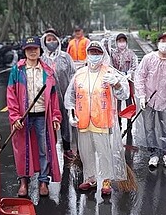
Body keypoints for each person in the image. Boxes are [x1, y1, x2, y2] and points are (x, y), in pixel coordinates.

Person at [64, 41, 129, 195]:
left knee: (104, 152)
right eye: (92, 53)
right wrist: (71, 114)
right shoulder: (79, 74)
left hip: (102, 119)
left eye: (97, 53)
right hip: (83, 119)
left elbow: (124, 95)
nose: (94, 56)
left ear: (102, 54)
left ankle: (106, 180)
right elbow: (71, 98)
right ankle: (90, 178)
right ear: (88, 54)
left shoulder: (109, 73)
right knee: (86, 152)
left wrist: (118, 84)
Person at [7, 36, 62, 197]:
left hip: (42, 116)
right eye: (29, 49)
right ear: (24, 51)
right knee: (22, 150)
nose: (32, 52)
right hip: (23, 117)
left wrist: (55, 117)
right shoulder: (17, 70)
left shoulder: (48, 71)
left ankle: (43, 181)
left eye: (35, 49)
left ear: (40, 50)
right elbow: (11, 95)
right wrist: (15, 116)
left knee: (44, 149)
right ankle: (24, 181)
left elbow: (53, 97)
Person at [133, 32, 166, 170]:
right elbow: (140, 77)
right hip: (149, 100)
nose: (165, 44)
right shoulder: (148, 59)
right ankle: (153, 153)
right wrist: (142, 96)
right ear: (158, 43)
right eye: (163, 41)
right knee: (149, 128)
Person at [39, 28, 77, 159]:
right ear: (44, 42)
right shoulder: (41, 59)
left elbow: (73, 74)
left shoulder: (65, 57)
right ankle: (50, 151)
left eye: (53, 39)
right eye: (48, 40)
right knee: (49, 123)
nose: (51, 42)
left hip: (65, 94)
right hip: (48, 98)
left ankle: (67, 148)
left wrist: (72, 93)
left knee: (66, 122)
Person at [109, 33, 138, 128]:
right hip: (117, 80)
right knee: (118, 100)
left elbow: (134, 66)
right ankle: (119, 120)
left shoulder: (131, 54)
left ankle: (130, 121)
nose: (122, 43)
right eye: (119, 41)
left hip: (128, 80)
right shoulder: (113, 54)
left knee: (129, 100)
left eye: (123, 41)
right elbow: (111, 66)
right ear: (116, 43)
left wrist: (130, 74)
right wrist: (117, 76)